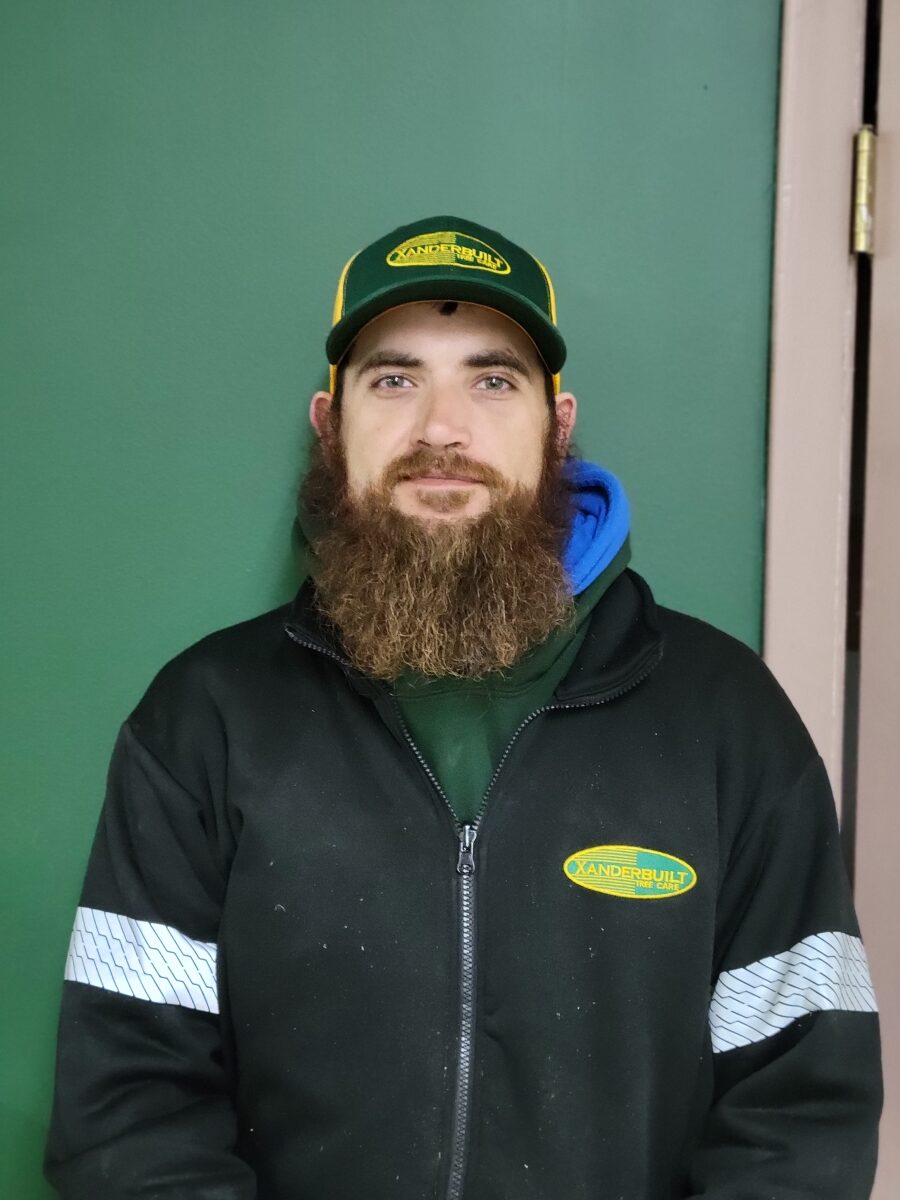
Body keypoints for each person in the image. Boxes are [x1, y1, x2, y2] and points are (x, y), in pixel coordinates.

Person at [46, 216, 882, 1199]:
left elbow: (801, 1116)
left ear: (557, 427)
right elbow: (128, 1112)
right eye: (394, 381)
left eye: (492, 381)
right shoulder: (204, 719)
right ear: (328, 423)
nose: (441, 428)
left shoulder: (727, 721)